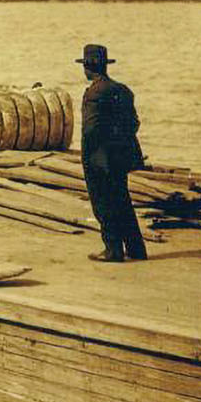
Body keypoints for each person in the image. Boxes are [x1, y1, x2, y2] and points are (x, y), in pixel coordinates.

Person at [77, 44, 148, 262]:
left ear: (89, 67)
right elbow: (134, 123)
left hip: (99, 158)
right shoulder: (123, 90)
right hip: (120, 156)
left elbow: (90, 129)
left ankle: (113, 249)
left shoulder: (93, 93)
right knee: (122, 201)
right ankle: (136, 249)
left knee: (103, 203)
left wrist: (89, 156)